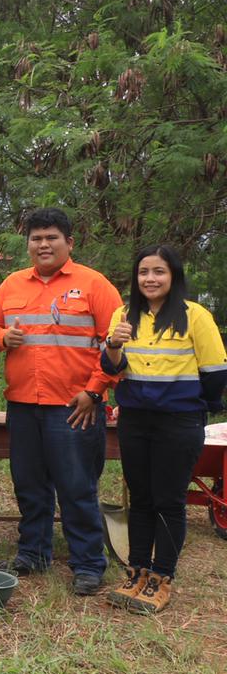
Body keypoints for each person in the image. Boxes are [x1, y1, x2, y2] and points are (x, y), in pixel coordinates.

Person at [0, 208, 122, 596]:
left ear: (69, 243)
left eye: (52, 238)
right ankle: (33, 553)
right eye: (36, 238)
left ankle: (88, 563)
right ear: (28, 244)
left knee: (77, 487)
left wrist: (94, 392)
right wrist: (2, 339)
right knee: (29, 485)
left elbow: (115, 346)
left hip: (75, 407)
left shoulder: (95, 285)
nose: (43, 245)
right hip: (23, 404)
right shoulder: (12, 284)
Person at [101, 245, 226, 614]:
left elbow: (215, 373)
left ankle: (161, 577)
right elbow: (111, 368)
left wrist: (190, 404)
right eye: (144, 272)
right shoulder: (123, 315)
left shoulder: (194, 316)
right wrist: (113, 343)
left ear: (173, 276)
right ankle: (137, 571)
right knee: (140, 498)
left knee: (168, 501)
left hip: (179, 421)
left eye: (159, 272)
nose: (150, 279)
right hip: (135, 420)